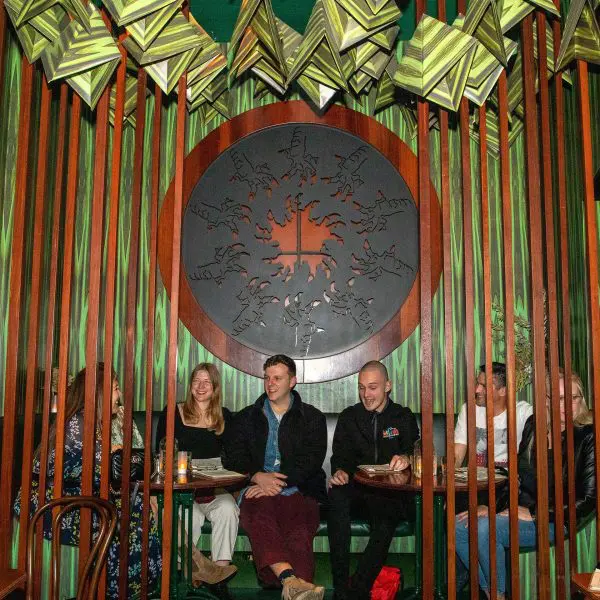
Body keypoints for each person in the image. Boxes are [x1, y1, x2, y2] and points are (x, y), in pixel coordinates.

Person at [14, 363, 161, 599]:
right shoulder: (79, 424)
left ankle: (122, 586)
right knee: (133, 513)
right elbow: (109, 466)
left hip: (73, 498)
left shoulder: (89, 421)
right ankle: (120, 587)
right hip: (51, 505)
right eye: (115, 389)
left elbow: (103, 466)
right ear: (100, 393)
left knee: (136, 508)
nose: (119, 395)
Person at [455, 369, 596, 600]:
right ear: (547, 399)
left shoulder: (588, 435)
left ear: (581, 399)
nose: (567, 404)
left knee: (483, 529)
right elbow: (516, 477)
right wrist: (493, 508)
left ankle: (498, 595)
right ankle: (492, 592)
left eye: (574, 397)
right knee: (459, 527)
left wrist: (535, 513)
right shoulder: (535, 424)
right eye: (559, 398)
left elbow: (587, 500)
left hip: (557, 517)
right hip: (522, 510)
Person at [223, 354, 327, 600]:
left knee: (299, 531)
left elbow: (311, 461)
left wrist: (277, 483)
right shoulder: (247, 417)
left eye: (277, 378)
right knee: (258, 516)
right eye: (267, 378)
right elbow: (232, 457)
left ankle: (283, 579)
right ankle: (291, 580)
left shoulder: (312, 417)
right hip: (258, 489)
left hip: (300, 489)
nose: (270, 383)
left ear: (293, 382)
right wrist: (257, 475)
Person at [327, 360, 420, 600]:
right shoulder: (350, 417)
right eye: (361, 388)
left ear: (387, 386)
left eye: (372, 387)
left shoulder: (403, 416)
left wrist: (407, 457)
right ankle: (339, 587)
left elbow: (416, 449)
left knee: (387, 512)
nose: (366, 395)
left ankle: (357, 588)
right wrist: (340, 471)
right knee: (336, 497)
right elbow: (341, 456)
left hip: (390, 491)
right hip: (357, 489)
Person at [155, 362, 238, 597]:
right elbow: (160, 451)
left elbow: (235, 457)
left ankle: (218, 576)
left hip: (214, 485)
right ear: (190, 385)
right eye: (196, 381)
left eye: (207, 382)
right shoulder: (173, 411)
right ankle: (186, 574)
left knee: (228, 509)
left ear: (215, 387)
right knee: (188, 516)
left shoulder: (225, 417)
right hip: (184, 487)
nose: (201, 386)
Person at [454, 362, 533, 468]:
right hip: (477, 482)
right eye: (478, 384)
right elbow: (458, 455)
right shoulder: (469, 409)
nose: (477, 390)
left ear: (503, 391)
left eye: (484, 386)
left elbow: (546, 416)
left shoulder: (522, 412)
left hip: (509, 482)